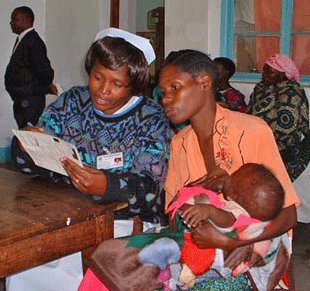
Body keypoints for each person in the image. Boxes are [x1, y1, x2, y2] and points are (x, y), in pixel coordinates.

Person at [78, 50, 299, 290]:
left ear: (205, 83)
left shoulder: (252, 131)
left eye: (175, 88)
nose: (165, 99)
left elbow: (288, 216)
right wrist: (200, 193)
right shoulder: (180, 143)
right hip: (198, 246)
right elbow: (173, 213)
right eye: (163, 92)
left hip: (254, 250)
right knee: (111, 255)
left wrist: (231, 241)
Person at [8, 27, 172, 291]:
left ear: (134, 86)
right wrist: (27, 146)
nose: (103, 90)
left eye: (117, 84)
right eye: (97, 77)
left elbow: (150, 191)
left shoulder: (151, 119)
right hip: (63, 214)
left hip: (124, 224)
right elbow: (29, 162)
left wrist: (107, 185)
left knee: (76, 275)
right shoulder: (73, 101)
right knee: (25, 266)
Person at [166, 163, 284, 288]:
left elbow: (229, 219)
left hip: (209, 261)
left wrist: (209, 210)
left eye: (233, 177)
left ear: (233, 194)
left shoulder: (238, 212)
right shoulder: (241, 209)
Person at [247, 53, 310, 182]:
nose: (264, 74)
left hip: (284, 144)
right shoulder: (260, 88)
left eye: (270, 72)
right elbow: (250, 111)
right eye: (264, 71)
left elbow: (288, 125)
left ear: (283, 74)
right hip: (257, 138)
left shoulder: (292, 92)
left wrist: (268, 142)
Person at [5, 6, 58, 129]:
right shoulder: (24, 40)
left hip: (30, 102)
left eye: (14, 19)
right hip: (23, 100)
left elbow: (44, 72)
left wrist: (38, 88)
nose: (11, 23)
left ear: (26, 20)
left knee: (30, 137)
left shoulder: (33, 41)